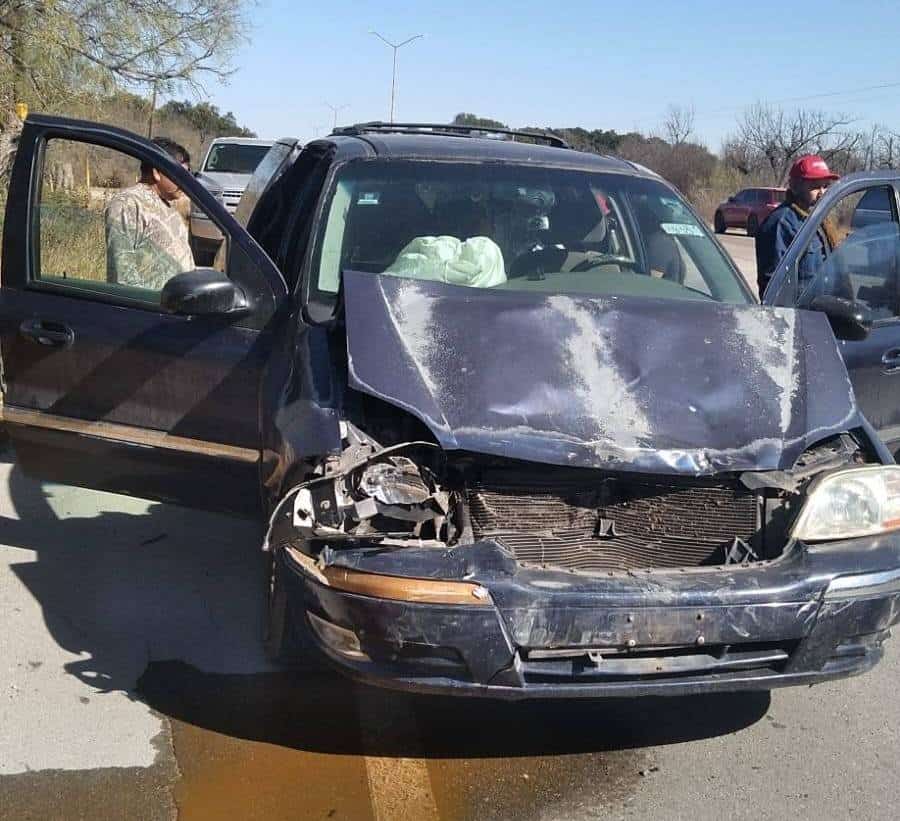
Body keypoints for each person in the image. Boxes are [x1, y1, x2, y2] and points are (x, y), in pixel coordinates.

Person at [105, 138, 195, 291]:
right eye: (180, 174)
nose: (185, 181)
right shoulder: (128, 204)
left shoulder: (168, 206)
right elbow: (122, 276)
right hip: (150, 310)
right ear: (157, 172)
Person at [755, 154, 840, 298]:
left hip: (825, 311)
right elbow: (773, 285)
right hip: (801, 316)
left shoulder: (820, 221)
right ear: (795, 187)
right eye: (815, 187)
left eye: (825, 186)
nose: (822, 193)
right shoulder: (780, 223)